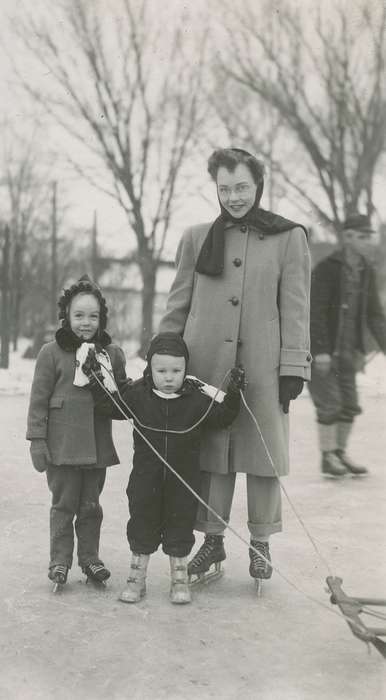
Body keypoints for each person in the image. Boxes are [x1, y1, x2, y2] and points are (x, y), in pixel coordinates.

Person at [158, 148, 311, 586]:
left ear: (258, 185)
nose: (234, 197)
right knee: (213, 455)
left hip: (264, 366)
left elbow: (296, 308)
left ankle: (260, 542)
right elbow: (178, 303)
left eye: (241, 187)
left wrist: (293, 366)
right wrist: (162, 355)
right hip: (206, 362)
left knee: (263, 455)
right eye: (225, 189)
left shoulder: (289, 237)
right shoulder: (196, 237)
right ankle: (211, 539)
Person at [83, 332, 245, 604]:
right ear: (150, 368)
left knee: (180, 525)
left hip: (183, 482)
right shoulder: (138, 395)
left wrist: (235, 393)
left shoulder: (196, 399)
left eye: (176, 370)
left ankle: (179, 577)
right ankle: (137, 577)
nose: (169, 377)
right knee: (142, 522)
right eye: (161, 370)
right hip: (146, 480)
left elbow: (223, 417)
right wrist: (94, 378)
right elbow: (109, 406)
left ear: (185, 369)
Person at [26, 275, 127, 588]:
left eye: (93, 316)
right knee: (64, 505)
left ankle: (90, 558)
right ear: (66, 317)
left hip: (96, 449)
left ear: (102, 319)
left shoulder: (111, 354)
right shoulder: (50, 353)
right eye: (79, 315)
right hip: (62, 447)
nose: (86, 322)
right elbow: (38, 402)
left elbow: (122, 401)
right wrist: (37, 441)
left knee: (91, 506)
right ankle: (59, 561)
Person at [309, 213, 386, 477]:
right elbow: (314, 312)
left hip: (349, 352)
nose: (367, 242)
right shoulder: (327, 268)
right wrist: (319, 351)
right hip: (324, 353)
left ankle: (339, 452)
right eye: (362, 237)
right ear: (348, 237)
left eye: (369, 237)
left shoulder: (366, 270)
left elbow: (375, 314)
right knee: (330, 403)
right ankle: (327, 457)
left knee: (350, 403)